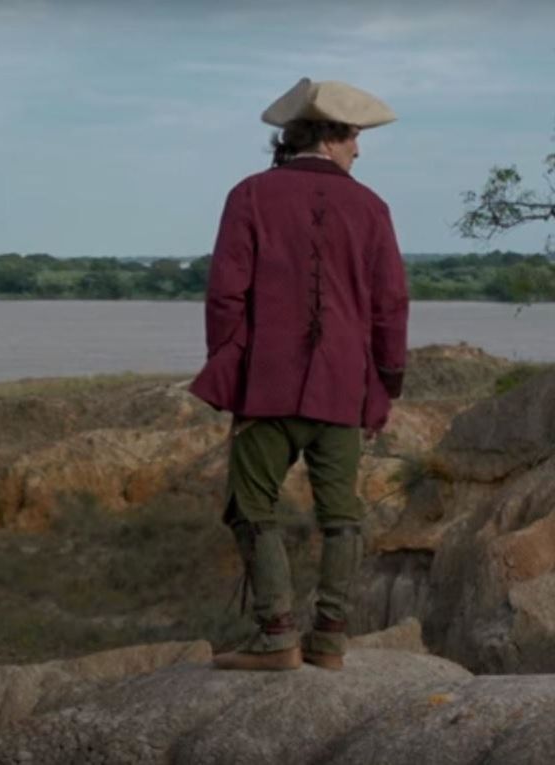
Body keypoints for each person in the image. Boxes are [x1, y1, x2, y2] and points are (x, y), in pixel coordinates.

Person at [189, 78, 409, 671]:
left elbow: (224, 297)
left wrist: (230, 367)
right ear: (329, 137)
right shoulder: (372, 207)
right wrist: (385, 385)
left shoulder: (249, 195)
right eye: (354, 136)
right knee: (342, 515)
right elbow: (390, 306)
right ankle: (329, 641)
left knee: (251, 507)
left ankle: (277, 636)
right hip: (344, 386)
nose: (359, 149)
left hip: (267, 385)